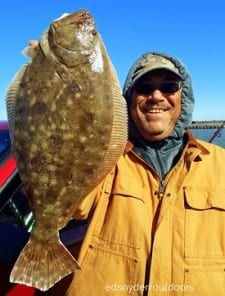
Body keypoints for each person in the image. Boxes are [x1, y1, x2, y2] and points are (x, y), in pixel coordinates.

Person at [40, 51, 225, 295]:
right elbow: (65, 195)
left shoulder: (220, 164)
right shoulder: (104, 158)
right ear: (129, 99)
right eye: (145, 87)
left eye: (169, 86)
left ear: (184, 97)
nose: (156, 96)